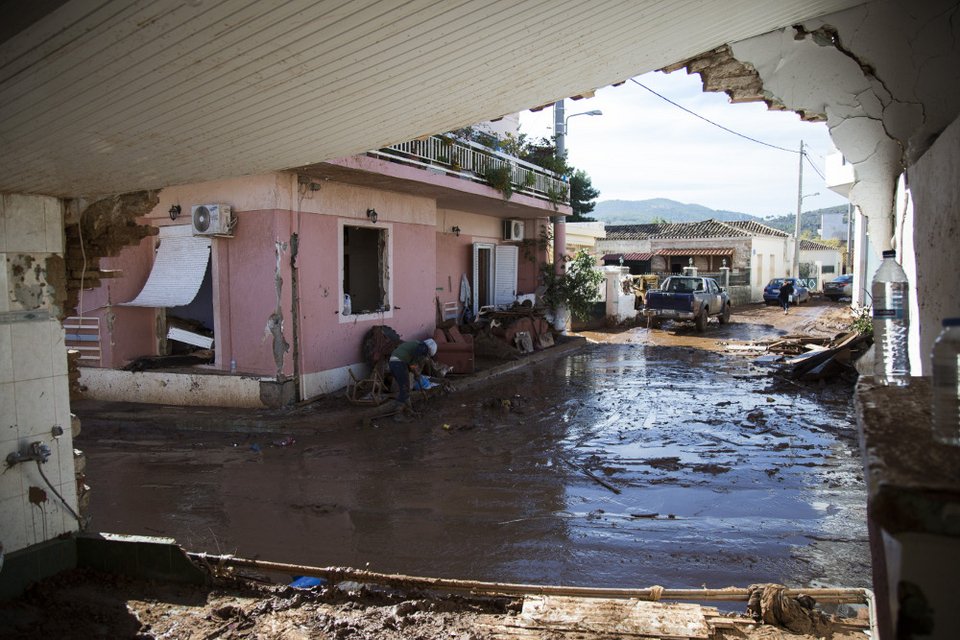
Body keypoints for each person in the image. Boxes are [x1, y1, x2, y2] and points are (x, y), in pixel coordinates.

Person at [388, 338, 438, 413]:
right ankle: (398, 413)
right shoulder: (423, 347)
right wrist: (416, 372)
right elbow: (413, 361)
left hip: (394, 362)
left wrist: (415, 373)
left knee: (405, 388)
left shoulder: (417, 344)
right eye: (428, 354)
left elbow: (411, 361)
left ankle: (409, 408)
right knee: (405, 388)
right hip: (399, 362)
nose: (426, 355)